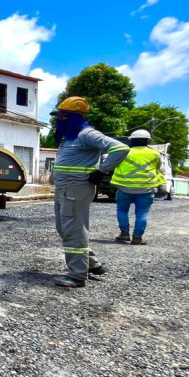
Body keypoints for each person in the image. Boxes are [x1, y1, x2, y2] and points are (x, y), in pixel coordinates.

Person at [50, 96, 130, 288]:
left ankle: (77, 275)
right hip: (65, 188)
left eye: (62, 115)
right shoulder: (70, 136)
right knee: (64, 228)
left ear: (74, 117)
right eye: (58, 115)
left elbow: (121, 148)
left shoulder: (87, 134)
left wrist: (101, 170)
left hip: (76, 188)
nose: (58, 119)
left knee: (74, 230)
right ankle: (93, 264)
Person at [111, 129, 165, 245]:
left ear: (132, 140)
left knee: (122, 210)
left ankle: (124, 234)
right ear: (147, 141)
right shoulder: (155, 153)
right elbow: (158, 168)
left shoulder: (124, 152)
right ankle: (137, 238)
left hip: (124, 187)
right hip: (146, 189)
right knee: (142, 214)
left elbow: (113, 164)